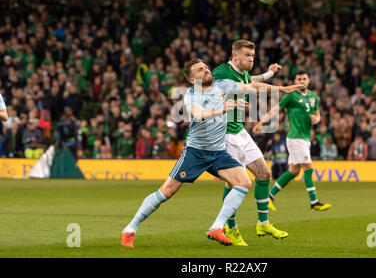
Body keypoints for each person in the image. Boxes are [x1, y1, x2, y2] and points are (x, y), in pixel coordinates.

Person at [121, 58, 299, 248]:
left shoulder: (223, 85)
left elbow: (251, 86)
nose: (206, 70)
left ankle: (217, 228)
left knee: (244, 182)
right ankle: (130, 229)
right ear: (192, 79)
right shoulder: (191, 95)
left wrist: (282, 89)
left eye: (205, 67)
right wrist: (222, 109)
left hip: (218, 152)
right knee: (167, 191)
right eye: (199, 70)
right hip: (195, 152)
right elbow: (198, 114)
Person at [212, 40, 289, 246]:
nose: (251, 59)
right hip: (225, 135)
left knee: (264, 174)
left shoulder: (242, 73)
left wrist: (270, 73)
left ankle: (262, 223)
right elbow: (220, 92)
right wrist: (279, 87)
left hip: (240, 133)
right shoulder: (220, 73)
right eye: (247, 55)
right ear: (235, 55)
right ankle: (231, 228)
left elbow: (252, 79)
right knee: (234, 183)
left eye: (253, 56)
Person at [254, 71, 331, 212]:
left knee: (294, 171)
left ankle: (269, 196)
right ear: (295, 81)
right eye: (299, 79)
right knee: (308, 167)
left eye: (304, 79)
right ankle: (314, 201)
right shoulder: (291, 95)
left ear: (309, 80)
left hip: (305, 138)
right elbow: (276, 110)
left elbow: (317, 115)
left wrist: (316, 119)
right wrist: (261, 122)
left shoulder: (313, 96)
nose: (302, 81)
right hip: (295, 138)